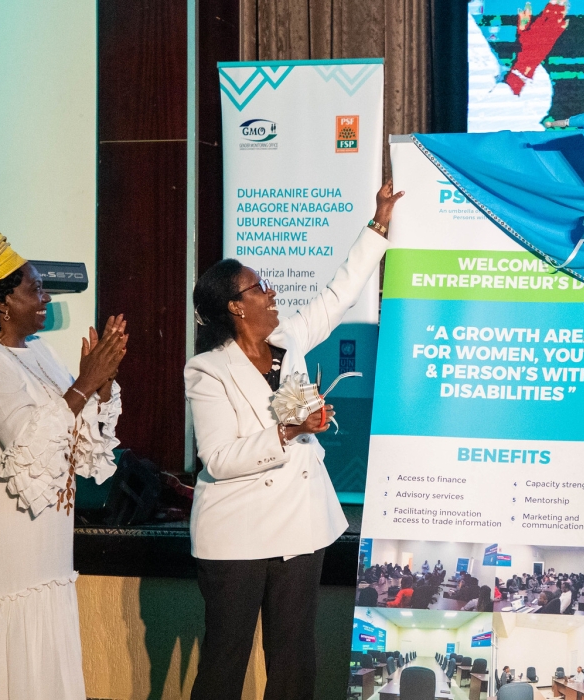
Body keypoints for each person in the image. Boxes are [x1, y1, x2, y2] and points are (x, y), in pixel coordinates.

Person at [185, 181, 402, 699]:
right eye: (259, 287)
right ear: (236, 307)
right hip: (236, 534)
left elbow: (339, 293)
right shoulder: (206, 370)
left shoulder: (289, 342)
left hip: (299, 528)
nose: (271, 293)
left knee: (293, 661)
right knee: (224, 664)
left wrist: (378, 223)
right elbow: (218, 458)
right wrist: (289, 430)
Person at [0, 225, 126, 700]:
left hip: (40, 546)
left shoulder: (37, 352)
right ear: (1, 302)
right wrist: (85, 382)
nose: (45, 296)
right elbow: (30, 439)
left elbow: (74, 438)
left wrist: (98, 388)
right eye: (34, 288)